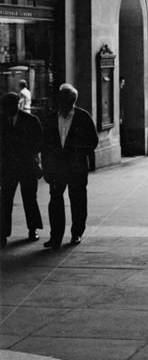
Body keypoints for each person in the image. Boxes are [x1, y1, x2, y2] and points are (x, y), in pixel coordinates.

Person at [41, 83, 99, 250]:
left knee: (78, 201)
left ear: (73, 100)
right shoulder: (51, 118)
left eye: (65, 100)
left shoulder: (83, 117)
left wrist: (78, 153)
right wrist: (47, 168)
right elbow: (45, 145)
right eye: (60, 99)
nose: (62, 103)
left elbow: (92, 141)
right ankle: (56, 237)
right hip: (57, 168)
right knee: (55, 202)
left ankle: (76, 233)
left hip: (76, 168)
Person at [0, 92, 44, 245]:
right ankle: (3, 233)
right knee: (5, 200)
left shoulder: (31, 120)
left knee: (29, 199)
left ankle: (33, 229)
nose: (6, 110)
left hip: (26, 165)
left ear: (16, 105)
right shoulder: (2, 120)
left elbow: (39, 142)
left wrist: (25, 150)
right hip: (8, 167)